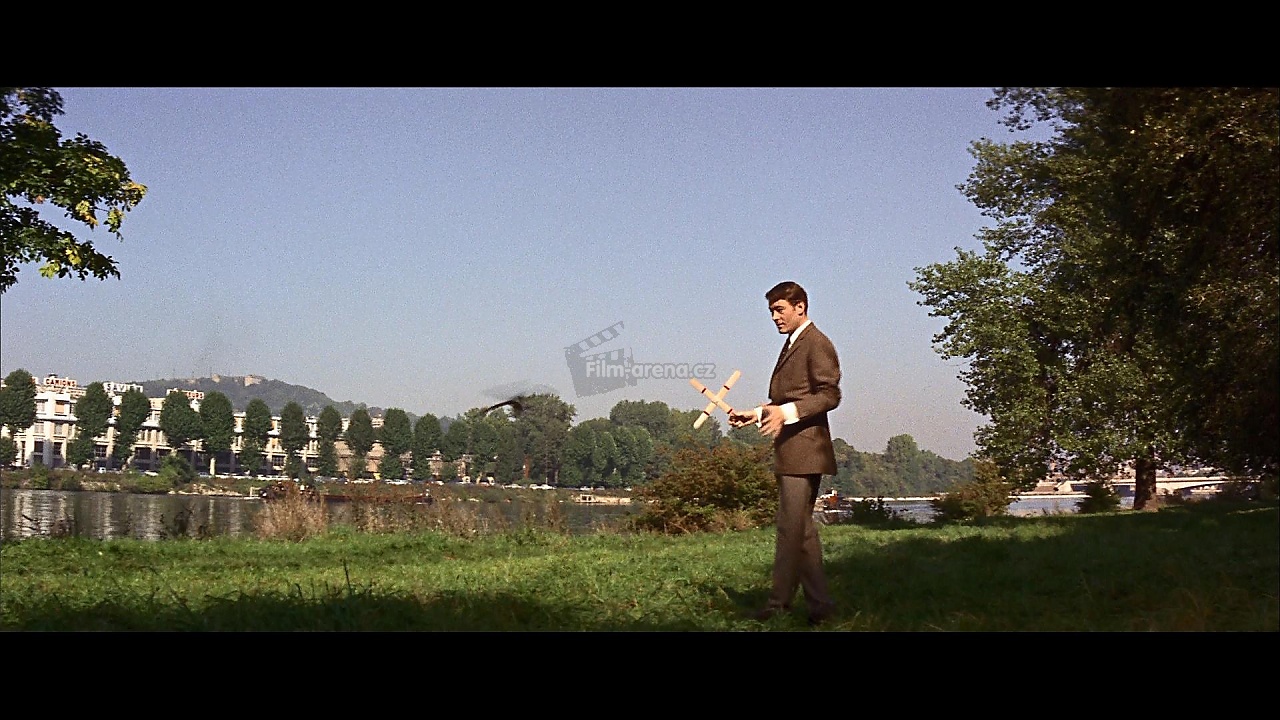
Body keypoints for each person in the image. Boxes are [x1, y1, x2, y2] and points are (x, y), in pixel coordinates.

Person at [729, 280, 840, 626]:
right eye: (771, 312)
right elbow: (786, 398)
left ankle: (778, 605)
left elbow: (829, 395)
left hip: (806, 450)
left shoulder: (816, 343)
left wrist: (786, 412)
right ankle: (821, 607)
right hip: (793, 450)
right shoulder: (794, 342)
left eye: (779, 310)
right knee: (801, 530)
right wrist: (757, 414)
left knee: (790, 529)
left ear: (800, 307)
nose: (775, 318)